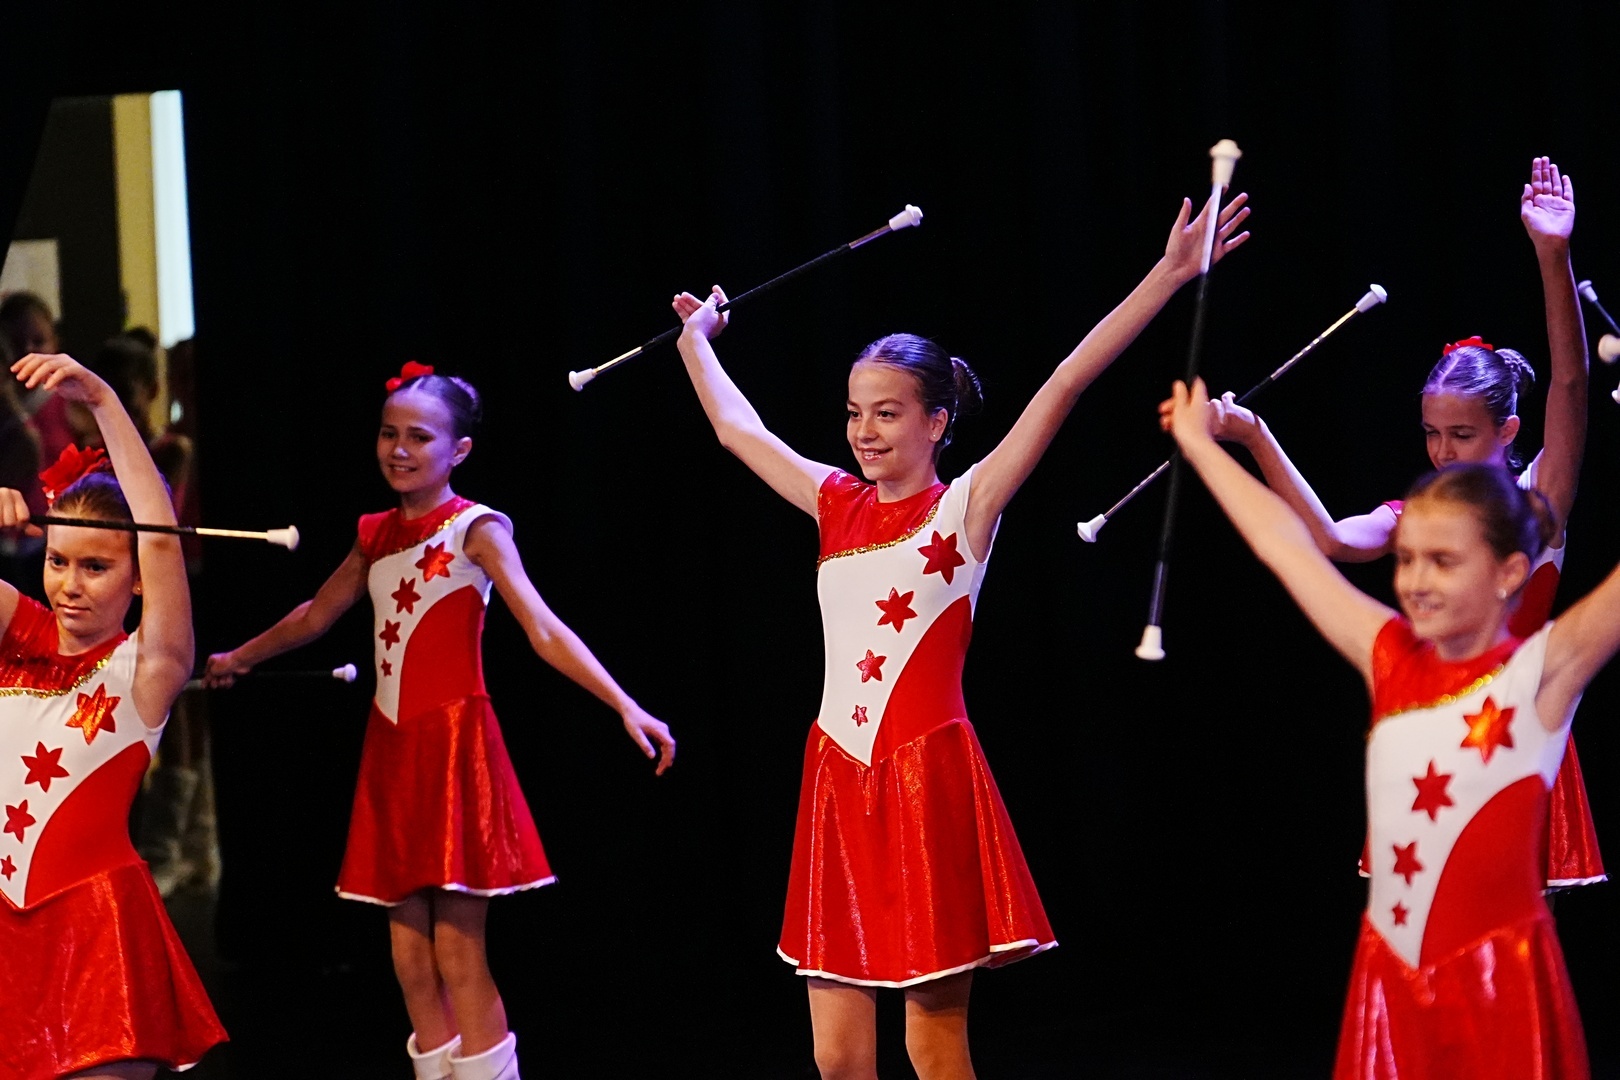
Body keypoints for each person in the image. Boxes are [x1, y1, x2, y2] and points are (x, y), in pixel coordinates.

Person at [671, 190, 1250, 1079]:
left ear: (937, 420)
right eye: (855, 412)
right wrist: (695, 344)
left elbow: (1066, 381)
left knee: (933, 1051)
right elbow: (734, 429)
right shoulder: (834, 503)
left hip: (925, 782)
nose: (864, 431)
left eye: (887, 412)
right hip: (836, 779)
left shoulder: (966, 508)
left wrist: (1169, 275)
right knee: (837, 1056)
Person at [204, 363, 675, 1080]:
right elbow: (315, 615)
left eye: (419, 437)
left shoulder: (476, 529)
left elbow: (543, 627)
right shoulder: (374, 534)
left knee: (458, 948)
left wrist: (623, 703)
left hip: (454, 746)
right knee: (408, 956)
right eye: (388, 433)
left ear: (459, 450)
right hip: (392, 748)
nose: (398, 449)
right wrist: (240, 657)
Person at [1162, 373, 1614, 1076]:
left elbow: (1572, 390)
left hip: (1500, 985)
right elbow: (1284, 544)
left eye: (1443, 562)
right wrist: (1201, 446)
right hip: (1391, 977)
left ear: (1509, 571)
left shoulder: (1541, 675)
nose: (1416, 582)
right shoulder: (1389, 656)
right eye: (1407, 559)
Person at [1206, 157, 1601, 891]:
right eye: (1431, 434)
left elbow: (1572, 384)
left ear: (1508, 430)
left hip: (1516, 735)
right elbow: (1331, 539)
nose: (1442, 452)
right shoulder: (1417, 516)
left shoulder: (1537, 505)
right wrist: (1256, 436)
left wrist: (1554, 257)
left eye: (1462, 435)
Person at [0, 352, 225, 1079]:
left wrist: (100, 398)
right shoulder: (15, 634)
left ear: (138, 581)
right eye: (58, 561)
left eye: (96, 568)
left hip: (99, 938)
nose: (70, 585)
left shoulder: (147, 667)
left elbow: (159, 534)